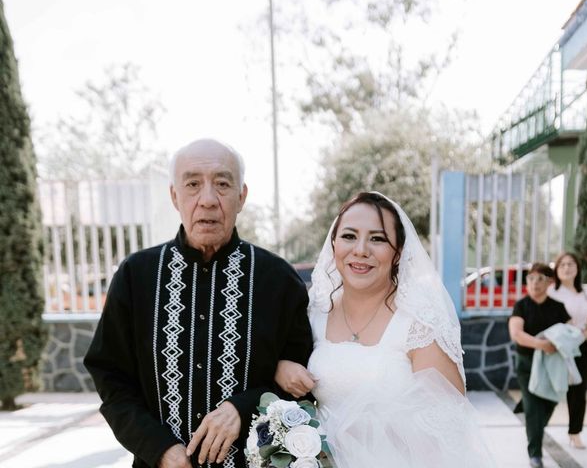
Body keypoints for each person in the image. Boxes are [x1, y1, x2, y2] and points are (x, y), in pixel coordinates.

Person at [84, 139, 313, 468]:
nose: (207, 200)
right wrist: (160, 449)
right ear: (175, 196)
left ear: (242, 196)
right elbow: (111, 378)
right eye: (192, 184)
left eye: (222, 184)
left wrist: (244, 408)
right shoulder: (137, 276)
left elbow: (302, 385)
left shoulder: (277, 280)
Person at [275, 192, 495, 467]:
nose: (361, 250)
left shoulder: (419, 322)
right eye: (349, 236)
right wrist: (281, 368)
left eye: (377, 239)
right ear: (333, 244)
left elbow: (448, 429)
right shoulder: (316, 312)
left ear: (398, 253)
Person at [509, 263, 571, 468]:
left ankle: (532, 423)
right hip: (527, 364)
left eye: (540, 279)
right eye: (531, 278)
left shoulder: (558, 308)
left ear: (550, 282)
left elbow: (569, 332)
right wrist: (542, 345)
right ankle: (535, 454)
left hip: (552, 365)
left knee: (549, 403)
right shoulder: (521, 306)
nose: (534, 283)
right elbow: (516, 334)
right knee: (534, 408)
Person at [547, 252, 587, 449]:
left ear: (577, 268)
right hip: (560, 345)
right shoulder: (552, 291)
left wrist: (586, 334)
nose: (567, 268)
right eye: (562, 265)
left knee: (579, 389)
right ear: (557, 270)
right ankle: (538, 429)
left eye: (571, 264)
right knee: (554, 387)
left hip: (581, 344)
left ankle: (575, 432)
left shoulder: (586, 290)